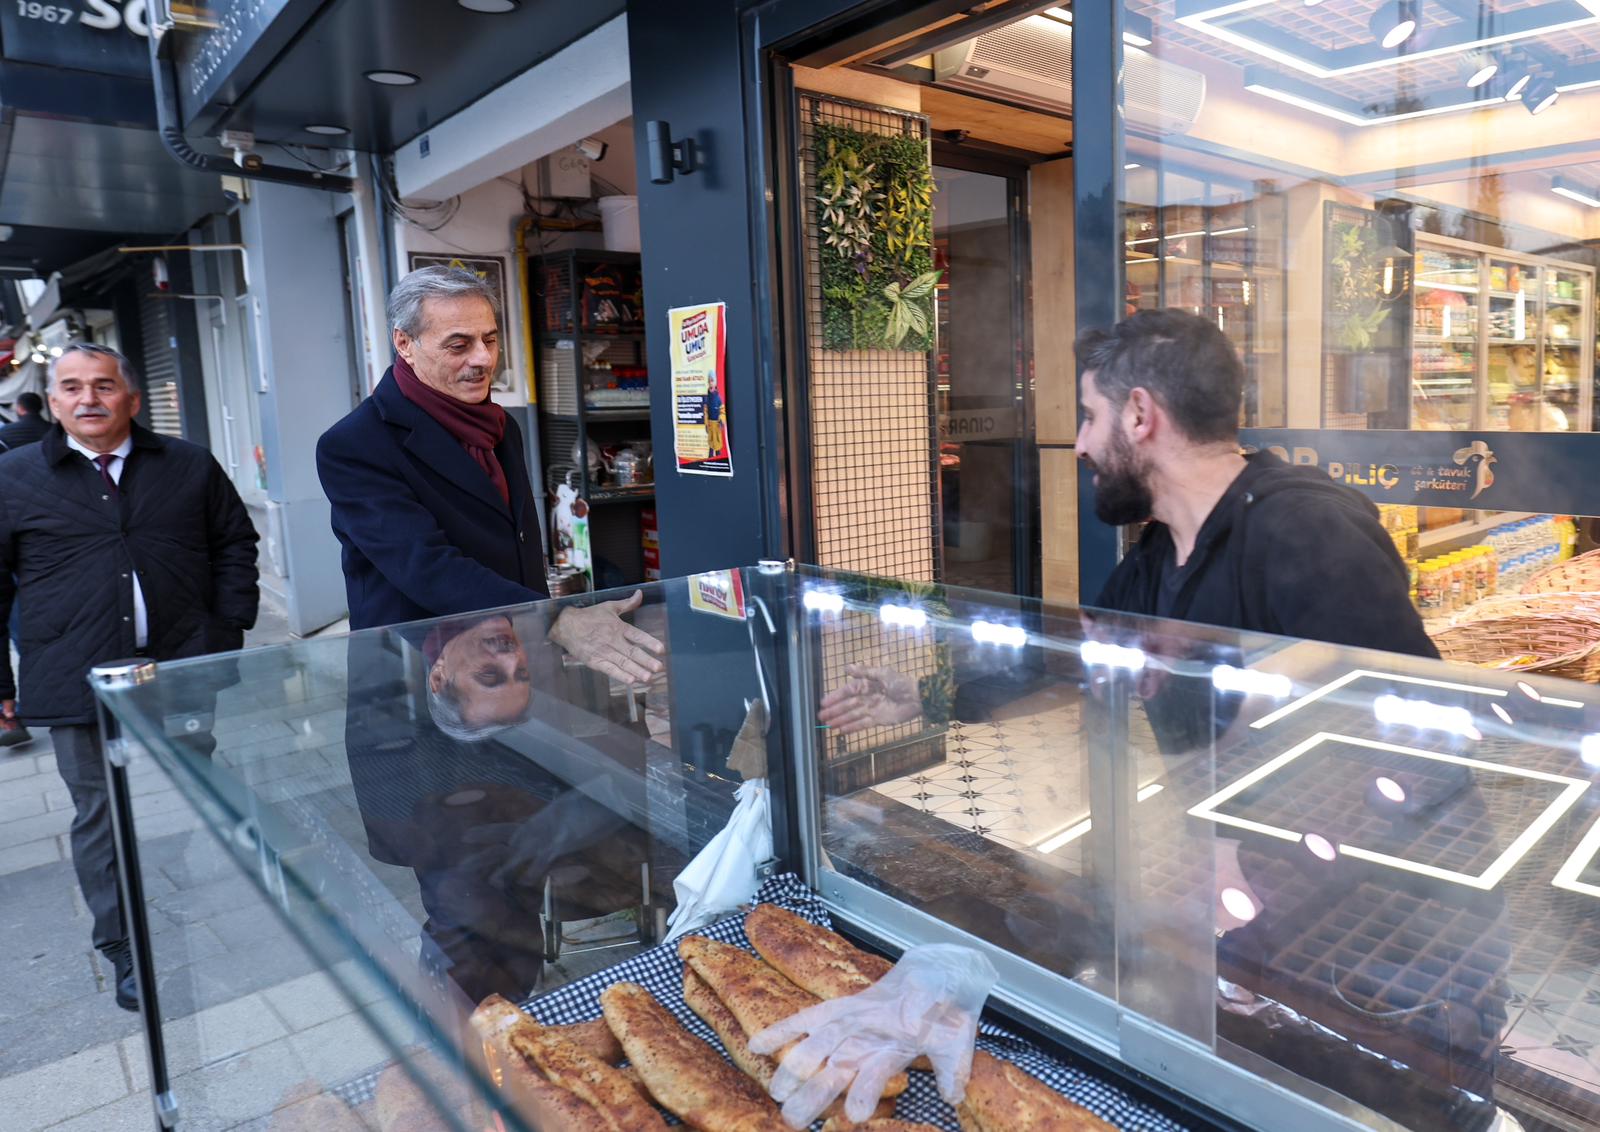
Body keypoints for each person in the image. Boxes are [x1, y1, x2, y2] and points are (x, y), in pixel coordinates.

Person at [0, 343, 259, 1011]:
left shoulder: (188, 465)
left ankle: (216, 894)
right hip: (75, 674)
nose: (88, 398)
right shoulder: (14, 477)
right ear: (52, 401)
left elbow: (234, 541)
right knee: (98, 811)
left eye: (103, 385)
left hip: (183, 662)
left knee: (200, 781)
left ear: (133, 399)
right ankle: (123, 947)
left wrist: (226, 629)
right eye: (72, 387)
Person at [316, 266, 662, 683]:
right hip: (420, 680)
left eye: (490, 340)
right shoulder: (355, 444)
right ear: (404, 343)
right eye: (459, 345)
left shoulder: (500, 426)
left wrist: (542, 634)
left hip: (515, 662)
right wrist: (557, 619)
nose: (483, 359)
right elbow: (426, 566)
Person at [1076, 308, 1437, 657]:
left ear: (1139, 415)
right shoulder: (1158, 551)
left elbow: (1403, 692)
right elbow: (1097, 663)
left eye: (1091, 417)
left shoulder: (1312, 536)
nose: (1080, 446)